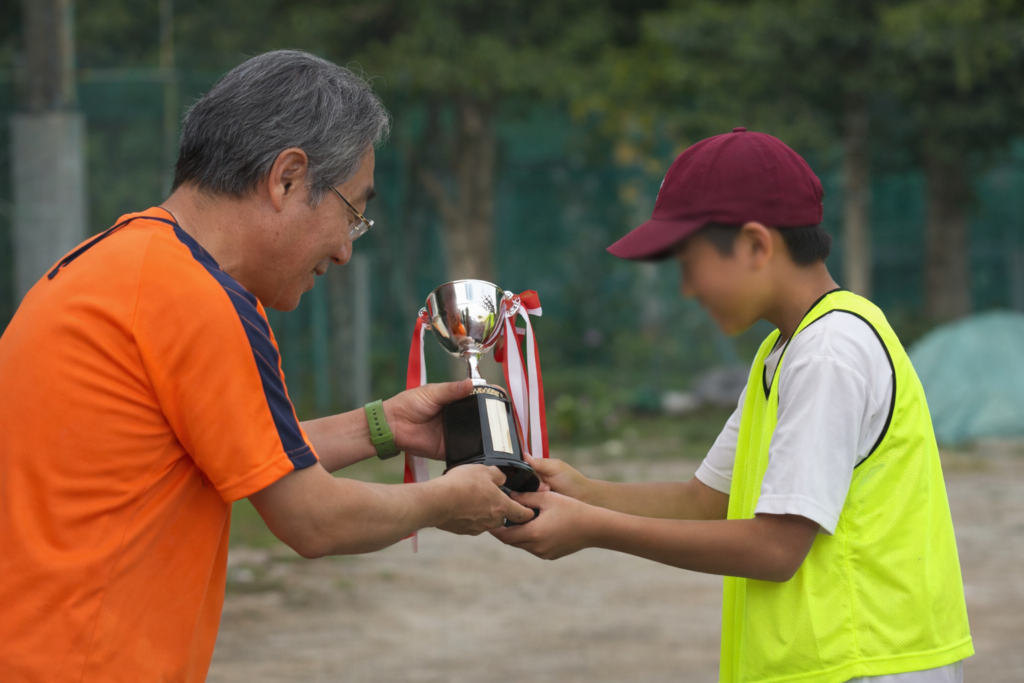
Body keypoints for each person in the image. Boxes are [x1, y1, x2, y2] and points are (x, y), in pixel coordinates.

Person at [0, 50, 533, 682]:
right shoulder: (198, 299)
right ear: (285, 178)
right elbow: (311, 519)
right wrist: (445, 502)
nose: (342, 250)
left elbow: (224, 461)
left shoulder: (117, 264)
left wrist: (381, 427)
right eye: (352, 213)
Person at [493, 128, 973, 683]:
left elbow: (775, 549)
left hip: (868, 664)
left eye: (690, 264)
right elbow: (704, 502)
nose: (688, 290)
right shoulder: (784, 351)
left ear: (755, 245)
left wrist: (594, 528)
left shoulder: (829, 351)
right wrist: (585, 492)